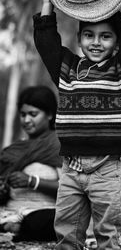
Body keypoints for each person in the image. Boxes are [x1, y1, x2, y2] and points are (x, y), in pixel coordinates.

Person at [33, 0, 121, 250]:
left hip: (106, 169)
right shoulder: (67, 70)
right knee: (66, 232)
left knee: (107, 235)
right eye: (89, 35)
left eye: (105, 36)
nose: (96, 42)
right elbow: (47, 46)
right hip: (71, 169)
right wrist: (47, 11)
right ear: (79, 38)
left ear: (117, 42)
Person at [0, 85, 62, 241]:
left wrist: (32, 181)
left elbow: (73, 188)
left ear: (49, 114)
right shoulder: (13, 150)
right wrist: (3, 190)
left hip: (43, 213)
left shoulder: (59, 145)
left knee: (50, 221)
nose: (26, 120)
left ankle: (17, 229)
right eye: (22, 115)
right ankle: (12, 227)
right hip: (9, 212)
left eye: (33, 114)